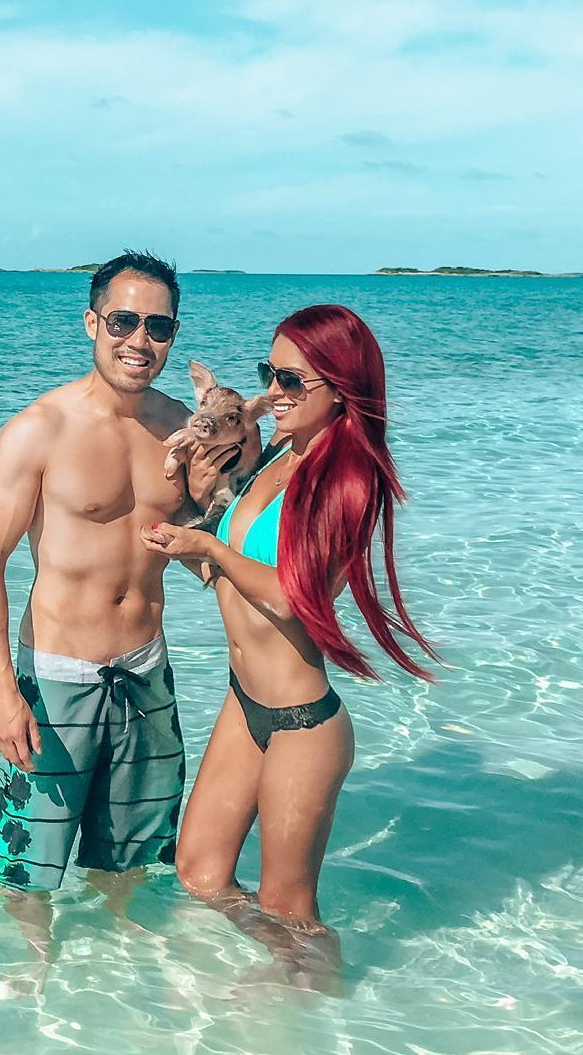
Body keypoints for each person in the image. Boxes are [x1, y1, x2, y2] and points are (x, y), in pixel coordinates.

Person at [0, 251, 249, 969]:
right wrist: (2, 691)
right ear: (92, 321)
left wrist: (217, 506)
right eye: (123, 320)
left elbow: (194, 548)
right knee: (30, 853)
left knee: (131, 845)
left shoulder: (184, 430)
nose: (139, 340)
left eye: (157, 326)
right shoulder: (39, 429)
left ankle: (121, 951)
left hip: (145, 668)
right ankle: (32, 965)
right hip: (58, 673)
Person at [141, 304, 436, 954]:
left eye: (291, 381)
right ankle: (275, 1000)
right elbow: (232, 572)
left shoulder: (346, 480)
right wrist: (185, 545)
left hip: (302, 723)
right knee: (199, 873)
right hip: (246, 702)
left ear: (340, 386)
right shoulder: (278, 450)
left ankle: (307, 1013)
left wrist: (211, 550)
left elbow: (292, 597)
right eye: (268, 373)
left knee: (289, 912)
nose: (271, 393)